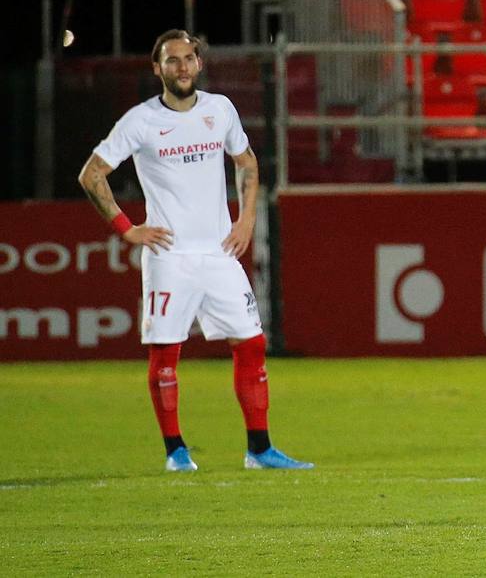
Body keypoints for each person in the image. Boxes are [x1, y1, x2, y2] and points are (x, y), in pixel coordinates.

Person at [77, 30, 313, 473]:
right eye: (172, 60)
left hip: (220, 253)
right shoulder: (140, 121)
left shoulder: (219, 109)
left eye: (188, 59)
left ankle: (259, 450)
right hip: (170, 256)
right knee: (166, 352)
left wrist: (246, 220)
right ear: (157, 68)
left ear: (199, 65)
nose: (182, 67)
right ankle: (175, 452)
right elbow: (92, 175)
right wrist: (127, 229)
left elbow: (245, 161)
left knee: (252, 344)